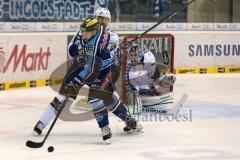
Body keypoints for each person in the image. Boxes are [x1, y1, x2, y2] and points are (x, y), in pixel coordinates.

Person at [33, 17, 141, 144]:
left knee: (100, 97)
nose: (83, 35)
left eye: (86, 33)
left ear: (94, 30)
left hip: (104, 70)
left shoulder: (97, 44)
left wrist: (78, 80)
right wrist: (79, 48)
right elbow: (71, 51)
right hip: (83, 65)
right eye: (100, 18)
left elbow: (92, 69)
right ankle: (41, 123)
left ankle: (107, 127)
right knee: (63, 96)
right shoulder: (88, 31)